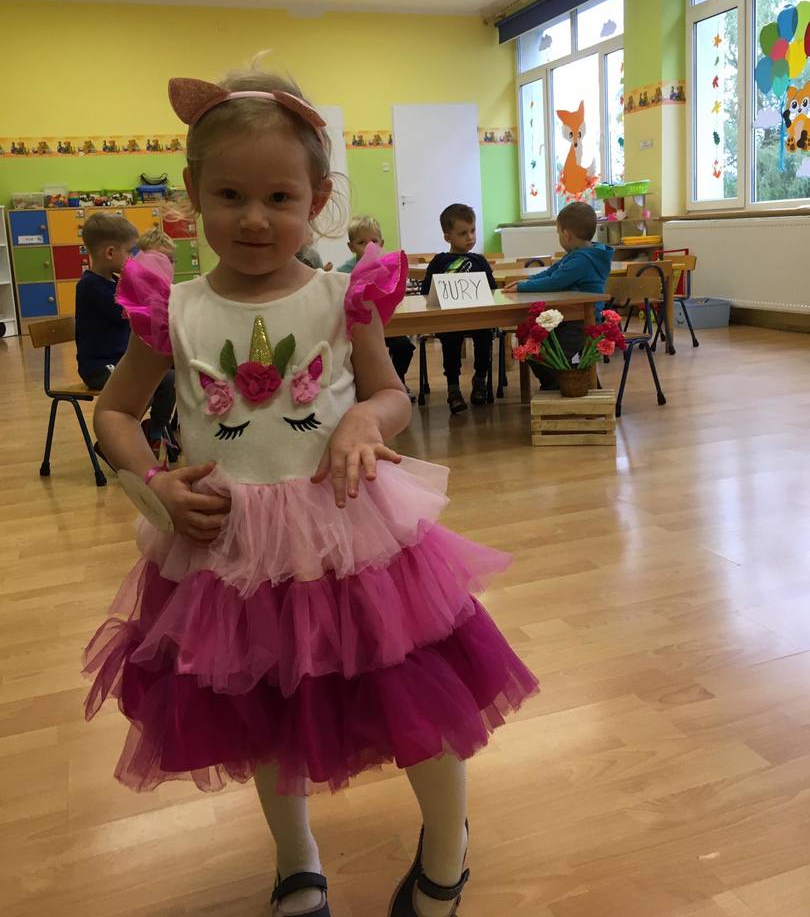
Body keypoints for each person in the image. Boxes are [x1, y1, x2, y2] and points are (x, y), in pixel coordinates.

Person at [82, 67, 538, 917]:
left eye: (280, 197)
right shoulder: (171, 308)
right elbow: (113, 412)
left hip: (348, 533)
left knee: (413, 694)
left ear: (318, 199)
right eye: (230, 195)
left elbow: (390, 394)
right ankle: (297, 859)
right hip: (228, 547)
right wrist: (153, 482)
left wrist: (365, 421)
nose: (254, 218)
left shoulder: (342, 297)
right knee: (261, 710)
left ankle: (447, 849)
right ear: (192, 192)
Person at [75, 212, 176, 455]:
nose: (136, 258)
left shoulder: (114, 282)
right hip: (99, 367)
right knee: (142, 387)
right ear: (110, 252)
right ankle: (116, 440)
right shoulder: (90, 287)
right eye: (131, 252)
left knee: (170, 378)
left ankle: (153, 432)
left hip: (122, 360)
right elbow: (132, 312)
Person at [504, 202, 613, 390]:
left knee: (567, 360)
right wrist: (525, 282)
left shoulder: (582, 260)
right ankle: (554, 384)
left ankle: (561, 386)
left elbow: (555, 281)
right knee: (531, 342)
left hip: (581, 321)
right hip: (567, 317)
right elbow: (550, 272)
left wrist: (523, 287)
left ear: (566, 234)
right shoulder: (577, 254)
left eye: (558, 233)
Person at [420, 204, 498, 414]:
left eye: (473, 231)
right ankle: (453, 388)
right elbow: (426, 291)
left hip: (477, 318)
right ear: (448, 237)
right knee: (450, 340)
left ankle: (480, 380)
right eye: (463, 233)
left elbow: (492, 289)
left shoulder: (479, 261)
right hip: (450, 319)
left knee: (485, 336)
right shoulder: (440, 262)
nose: (470, 237)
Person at [339, 215, 415, 387]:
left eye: (373, 241)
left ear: (381, 243)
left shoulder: (386, 267)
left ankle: (395, 381)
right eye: (361, 242)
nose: (369, 247)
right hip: (358, 331)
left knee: (404, 347)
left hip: (386, 326)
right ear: (351, 247)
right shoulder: (344, 272)